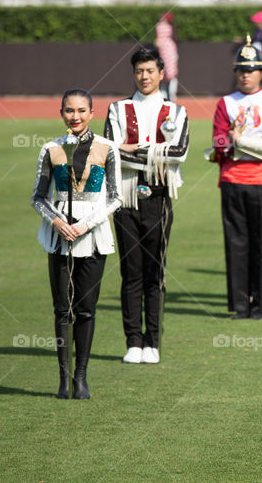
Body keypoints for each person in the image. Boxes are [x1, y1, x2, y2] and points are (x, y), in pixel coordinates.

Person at [31, 88, 122, 398]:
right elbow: (38, 196)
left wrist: (85, 224)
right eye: (69, 111)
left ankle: (80, 377)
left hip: (93, 235)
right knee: (62, 309)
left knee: (85, 309)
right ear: (61, 114)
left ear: (91, 113)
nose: (76, 116)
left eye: (82, 110)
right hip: (59, 236)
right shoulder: (50, 149)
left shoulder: (108, 148)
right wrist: (57, 222)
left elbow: (115, 198)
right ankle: (62, 377)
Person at [105, 48, 189, 363]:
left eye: (150, 70)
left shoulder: (176, 111)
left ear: (161, 73)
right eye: (140, 71)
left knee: (155, 272)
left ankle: (152, 341)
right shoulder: (118, 108)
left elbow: (179, 153)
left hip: (159, 195)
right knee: (131, 272)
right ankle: (133, 342)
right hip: (124, 197)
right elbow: (110, 152)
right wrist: (154, 152)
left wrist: (134, 148)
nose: (145, 76)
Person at [210, 36, 262, 319]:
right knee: (236, 243)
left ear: (261, 73)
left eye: (251, 69)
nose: (245, 74)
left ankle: (260, 305)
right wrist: (257, 141)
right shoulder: (226, 102)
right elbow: (219, 142)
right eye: (241, 70)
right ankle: (240, 305)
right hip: (232, 179)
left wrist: (239, 140)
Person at [154, 13, 179, 100]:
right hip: (170, 50)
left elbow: (157, 42)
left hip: (165, 51)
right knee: (171, 75)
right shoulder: (171, 27)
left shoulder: (160, 26)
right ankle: (171, 95)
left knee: (163, 74)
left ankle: (164, 94)